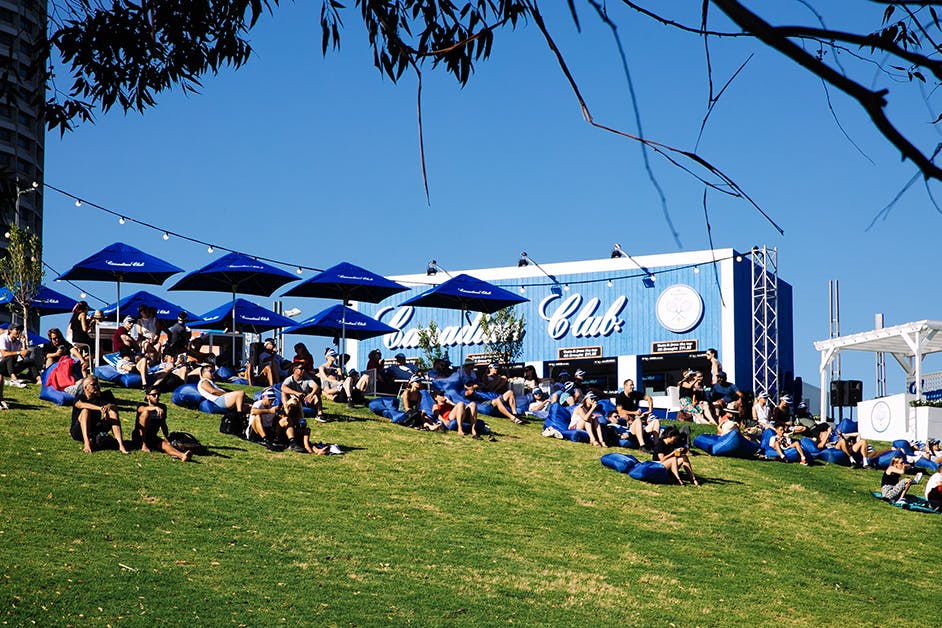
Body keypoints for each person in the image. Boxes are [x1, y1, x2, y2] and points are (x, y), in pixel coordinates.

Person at [70, 376, 130, 454]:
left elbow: (115, 407)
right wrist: (99, 408)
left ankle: (121, 445)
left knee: (113, 412)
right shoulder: (81, 397)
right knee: (85, 411)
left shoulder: (104, 396)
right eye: (93, 384)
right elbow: (80, 405)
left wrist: (109, 407)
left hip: (96, 427)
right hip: (78, 431)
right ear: (86, 387)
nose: (97, 386)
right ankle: (87, 443)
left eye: (97, 384)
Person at [133, 388, 192, 461]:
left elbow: (163, 425)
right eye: (153, 395)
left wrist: (167, 439)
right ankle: (143, 444)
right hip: (138, 437)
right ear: (147, 396)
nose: (156, 396)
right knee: (146, 413)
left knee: (165, 445)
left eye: (158, 394)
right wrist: (155, 408)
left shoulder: (162, 407)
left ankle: (182, 456)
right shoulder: (142, 405)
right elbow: (142, 409)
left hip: (152, 437)